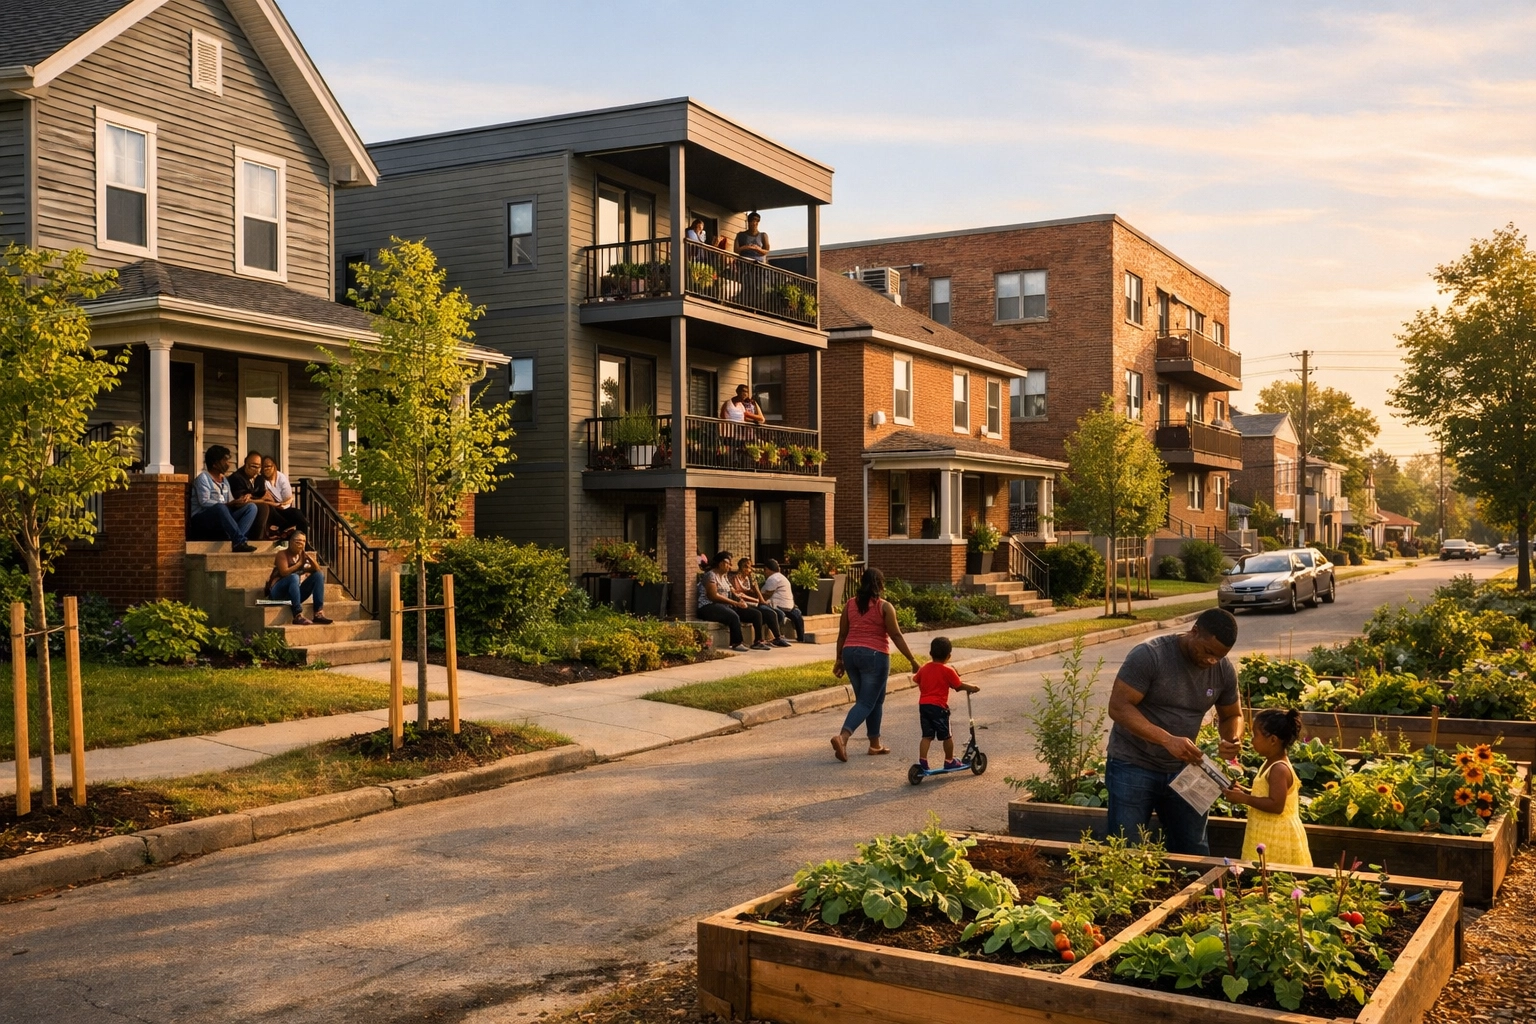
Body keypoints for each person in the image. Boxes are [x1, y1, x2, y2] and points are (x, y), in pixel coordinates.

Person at [1105, 608, 1244, 855]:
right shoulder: (1150, 655)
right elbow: (1118, 707)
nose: (1212, 661)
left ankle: (1191, 893)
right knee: (1126, 848)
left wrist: (1232, 737)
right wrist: (1166, 739)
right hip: (1133, 764)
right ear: (1194, 632)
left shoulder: (1223, 669)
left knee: (1194, 849)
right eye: (1208, 652)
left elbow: (1232, 715)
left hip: (1185, 769)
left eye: (1219, 656)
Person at [831, 568, 922, 761]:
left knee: (874, 700)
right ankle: (842, 738)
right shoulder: (884, 607)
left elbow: (842, 635)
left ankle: (875, 744)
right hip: (874, 655)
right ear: (880, 585)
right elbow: (896, 635)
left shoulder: (849, 605)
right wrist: (913, 660)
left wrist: (839, 659)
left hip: (850, 654)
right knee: (866, 701)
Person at [1224, 708, 1312, 867]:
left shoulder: (1279, 769)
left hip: (1277, 838)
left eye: (1255, 735)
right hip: (1264, 832)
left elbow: (1277, 805)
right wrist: (1244, 790)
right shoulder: (1269, 762)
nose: (1251, 741)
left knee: (1274, 878)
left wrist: (1243, 798)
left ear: (1273, 740)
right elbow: (1265, 792)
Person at [912, 636, 980, 770]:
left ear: (930, 654)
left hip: (924, 706)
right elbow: (958, 685)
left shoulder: (924, 668)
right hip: (939, 707)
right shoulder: (948, 670)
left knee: (927, 736)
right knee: (947, 736)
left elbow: (917, 680)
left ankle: (923, 762)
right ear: (949, 656)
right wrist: (972, 687)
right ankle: (949, 760)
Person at [695, 550, 770, 652]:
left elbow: (733, 592)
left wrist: (740, 601)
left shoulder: (724, 577)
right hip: (708, 606)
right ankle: (736, 643)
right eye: (728, 564)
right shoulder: (710, 575)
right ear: (721, 563)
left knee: (756, 614)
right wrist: (734, 603)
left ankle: (758, 642)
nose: (730, 567)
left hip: (725, 605)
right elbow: (713, 596)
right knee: (733, 616)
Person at [189, 445, 258, 551]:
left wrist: (240, 501)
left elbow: (229, 501)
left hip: (222, 517)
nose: (228, 464)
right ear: (215, 464)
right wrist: (226, 505)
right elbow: (204, 502)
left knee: (251, 507)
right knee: (220, 507)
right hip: (203, 519)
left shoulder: (224, 480)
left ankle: (236, 541)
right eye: (225, 461)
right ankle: (239, 541)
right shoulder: (203, 478)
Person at [267, 531, 331, 625]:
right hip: (278, 594)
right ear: (291, 542)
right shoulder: (282, 554)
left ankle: (318, 613)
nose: (301, 544)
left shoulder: (302, 556)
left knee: (318, 575)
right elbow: (284, 572)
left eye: (304, 541)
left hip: (293, 595)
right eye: (298, 541)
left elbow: (317, 570)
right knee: (294, 577)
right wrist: (300, 564)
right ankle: (297, 615)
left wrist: (310, 560)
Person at [732, 557, 791, 647]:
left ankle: (777, 638)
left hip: (752, 602)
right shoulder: (735, 579)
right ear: (743, 568)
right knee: (763, 611)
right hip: (742, 603)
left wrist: (756, 591)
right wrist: (757, 599)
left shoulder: (747, 579)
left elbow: (751, 593)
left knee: (775, 613)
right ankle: (758, 640)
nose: (751, 570)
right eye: (748, 567)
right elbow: (739, 595)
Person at [228, 451, 278, 543]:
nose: (257, 470)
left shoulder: (259, 478)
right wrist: (263, 500)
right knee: (263, 507)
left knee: (286, 510)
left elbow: (261, 494)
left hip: (253, 504)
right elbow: (243, 500)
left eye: (259, 467)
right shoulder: (236, 478)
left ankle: (278, 530)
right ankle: (258, 539)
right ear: (246, 464)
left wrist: (257, 497)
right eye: (253, 466)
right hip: (238, 509)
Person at [260, 456, 310, 536]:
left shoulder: (281, 478)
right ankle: (280, 531)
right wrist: (279, 503)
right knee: (270, 510)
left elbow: (287, 497)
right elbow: (266, 498)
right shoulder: (261, 480)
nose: (265, 469)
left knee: (298, 514)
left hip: (283, 507)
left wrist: (282, 503)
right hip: (271, 508)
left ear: (274, 466)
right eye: (263, 467)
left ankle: (301, 539)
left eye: (267, 466)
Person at [759, 559, 806, 642]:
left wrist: (754, 591)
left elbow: (766, 595)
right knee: (797, 614)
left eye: (765, 570)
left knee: (764, 608)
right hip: (790, 606)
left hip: (779, 606)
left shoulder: (773, 579)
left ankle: (777, 637)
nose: (764, 573)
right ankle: (801, 636)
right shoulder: (782, 577)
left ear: (767, 569)